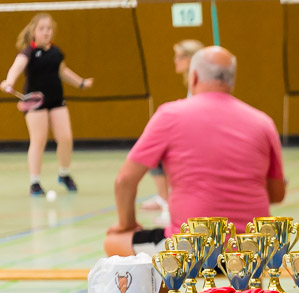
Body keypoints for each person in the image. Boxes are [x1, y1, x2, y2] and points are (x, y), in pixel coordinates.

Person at [104, 46, 285, 256]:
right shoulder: (263, 122)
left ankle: (173, 278)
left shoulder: (170, 115)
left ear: (194, 77)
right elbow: (277, 194)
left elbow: (124, 180)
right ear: (231, 81)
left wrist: (126, 224)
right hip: (254, 250)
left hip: (192, 247)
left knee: (114, 242)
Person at [1, 13, 94, 197]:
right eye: (42, 28)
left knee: (65, 138)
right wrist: (9, 81)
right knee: (39, 140)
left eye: (49, 29)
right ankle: (35, 182)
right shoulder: (28, 52)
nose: (46, 32)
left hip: (56, 100)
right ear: (34, 32)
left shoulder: (56, 52)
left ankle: (64, 174)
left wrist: (81, 83)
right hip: (35, 102)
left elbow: (63, 72)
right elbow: (16, 67)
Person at [141, 39, 205, 218]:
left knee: (155, 149)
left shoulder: (201, 80)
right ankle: (164, 197)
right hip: (193, 132)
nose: (175, 60)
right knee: (155, 145)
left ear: (190, 59)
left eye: (179, 56)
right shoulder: (192, 79)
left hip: (199, 138)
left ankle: (166, 199)